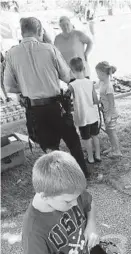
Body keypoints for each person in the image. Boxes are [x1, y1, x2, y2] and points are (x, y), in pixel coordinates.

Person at [4, 17, 88, 176]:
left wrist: (24, 89)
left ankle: (60, 179)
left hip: (34, 109)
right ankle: (82, 174)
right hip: (57, 105)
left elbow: (8, 86)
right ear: (40, 30)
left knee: (50, 148)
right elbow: (67, 76)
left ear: (22, 32)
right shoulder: (49, 49)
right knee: (73, 142)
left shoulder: (12, 53)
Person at [69, 57, 101, 164]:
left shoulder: (72, 85)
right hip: (92, 115)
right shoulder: (90, 82)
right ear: (83, 68)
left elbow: (69, 100)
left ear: (72, 71)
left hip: (82, 116)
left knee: (86, 138)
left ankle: (90, 158)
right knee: (95, 136)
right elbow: (96, 100)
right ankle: (98, 155)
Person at [96, 61, 121, 157]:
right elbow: (94, 86)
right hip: (105, 112)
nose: (97, 76)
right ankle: (113, 147)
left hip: (111, 113)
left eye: (98, 73)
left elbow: (112, 103)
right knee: (109, 131)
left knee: (112, 132)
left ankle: (117, 151)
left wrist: (109, 116)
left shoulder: (108, 87)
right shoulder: (101, 82)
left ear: (102, 73)